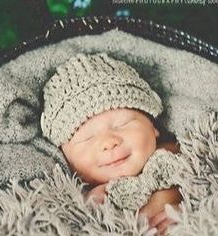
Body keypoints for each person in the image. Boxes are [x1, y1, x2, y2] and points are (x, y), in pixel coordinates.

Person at [41, 53, 182, 235]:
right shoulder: (72, 198)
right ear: (64, 157)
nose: (108, 142)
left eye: (122, 124)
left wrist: (169, 199)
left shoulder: (176, 157)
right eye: (87, 138)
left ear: (153, 126)